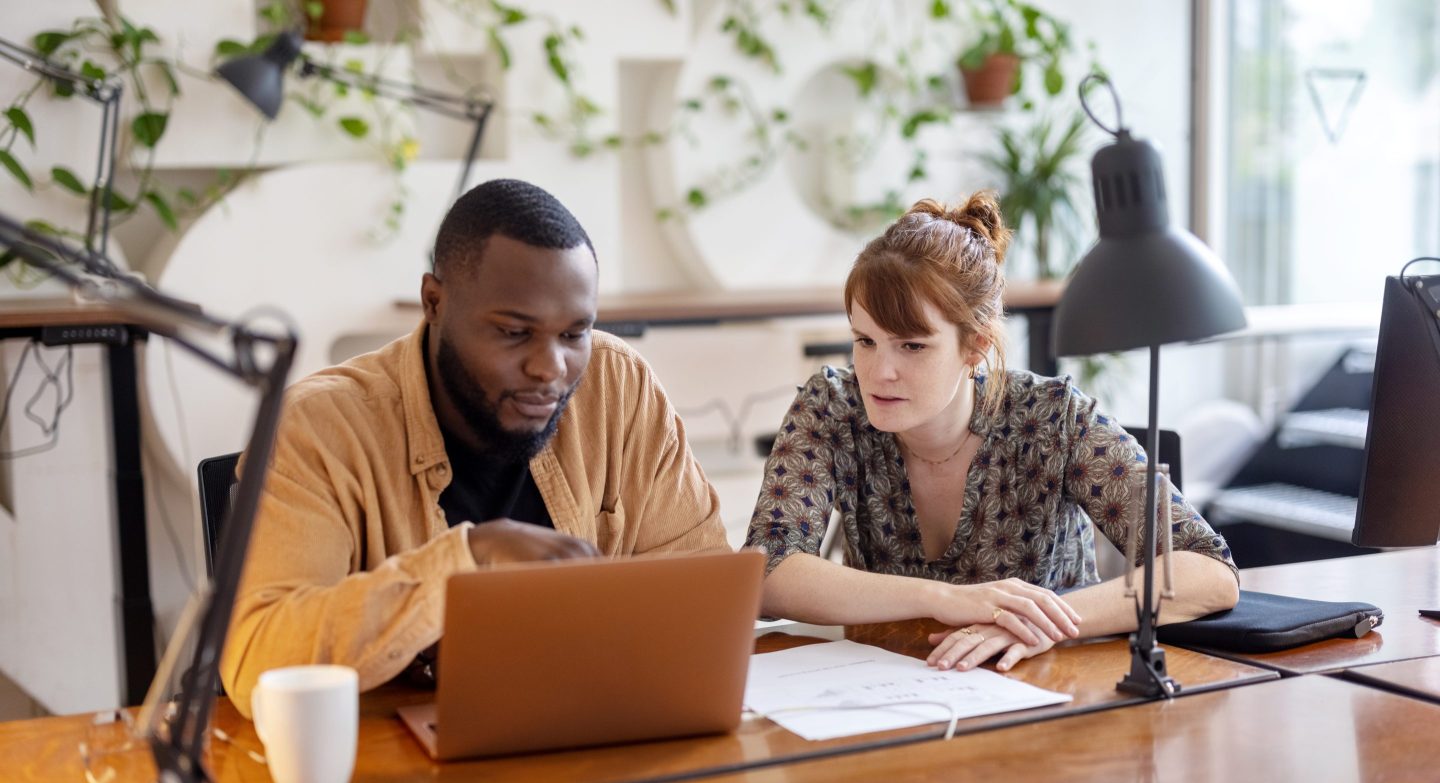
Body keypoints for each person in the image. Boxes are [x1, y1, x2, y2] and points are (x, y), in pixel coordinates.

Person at [222, 179, 728, 717]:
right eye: (514, 332)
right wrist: (467, 561)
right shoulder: (319, 426)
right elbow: (258, 665)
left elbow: (706, 595)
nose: (550, 369)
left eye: (574, 334)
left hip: (591, 729)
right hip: (399, 768)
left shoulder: (616, 385)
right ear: (434, 302)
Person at [746, 191, 1239, 673]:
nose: (879, 372)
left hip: (1050, 690)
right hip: (894, 691)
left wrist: (1033, 623)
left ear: (976, 346)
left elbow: (1208, 572)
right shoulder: (832, 409)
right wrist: (944, 599)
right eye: (865, 341)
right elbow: (766, 576)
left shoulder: (1052, 419)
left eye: (912, 346)